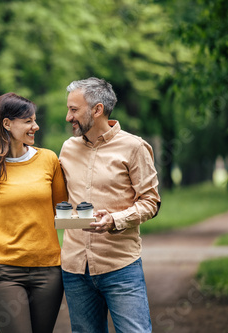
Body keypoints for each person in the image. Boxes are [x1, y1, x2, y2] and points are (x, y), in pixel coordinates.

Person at [59, 77, 161, 333]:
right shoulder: (67, 149)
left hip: (120, 266)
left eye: (74, 110)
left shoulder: (134, 147)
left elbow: (151, 202)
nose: (68, 117)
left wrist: (115, 220)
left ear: (97, 109)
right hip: (75, 268)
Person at [0, 92, 68, 333]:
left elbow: (63, 211)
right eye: (28, 121)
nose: (35, 126)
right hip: (4, 273)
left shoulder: (48, 160)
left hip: (48, 271)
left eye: (35, 120)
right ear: (7, 124)